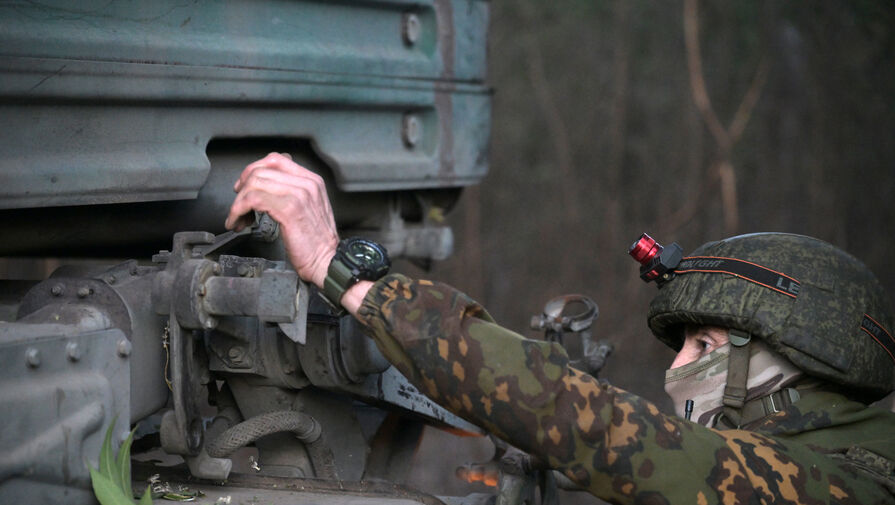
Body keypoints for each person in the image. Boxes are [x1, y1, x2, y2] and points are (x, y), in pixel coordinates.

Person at [226, 153, 895, 504]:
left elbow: (587, 422)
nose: (674, 371)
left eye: (704, 347)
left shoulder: (833, 489)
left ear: (785, 367)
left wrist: (344, 276)